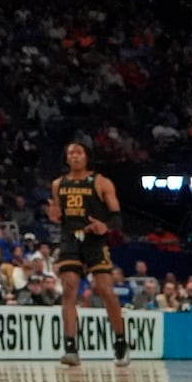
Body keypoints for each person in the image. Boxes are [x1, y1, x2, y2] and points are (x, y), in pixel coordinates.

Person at [47, 141, 128, 367]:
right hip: (70, 238)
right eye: (70, 152)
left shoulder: (101, 182)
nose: (74, 156)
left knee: (105, 289)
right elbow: (59, 214)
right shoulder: (58, 184)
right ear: (66, 158)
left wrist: (105, 226)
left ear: (86, 157)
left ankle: (120, 342)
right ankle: (71, 347)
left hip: (95, 240)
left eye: (79, 152)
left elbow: (117, 217)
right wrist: (55, 216)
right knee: (69, 288)